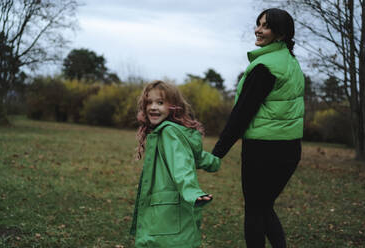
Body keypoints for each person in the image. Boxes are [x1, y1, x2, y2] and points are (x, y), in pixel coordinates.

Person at [211, 8, 305, 248]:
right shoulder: (291, 63)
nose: (258, 30)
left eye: (265, 26)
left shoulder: (265, 66)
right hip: (291, 150)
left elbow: (241, 115)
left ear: (281, 34)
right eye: (258, 24)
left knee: (254, 211)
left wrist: (217, 153)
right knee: (264, 207)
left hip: (263, 151)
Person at [130, 80, 220, 248]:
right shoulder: (175, 131)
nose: (153, 107)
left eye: (160, 102)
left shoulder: (169, 132)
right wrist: (214, 162)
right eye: (149, 102)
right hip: (171, 208)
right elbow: (194, 156)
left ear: (174, 106)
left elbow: (181, 165)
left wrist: (192, 191)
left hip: (166, 210)